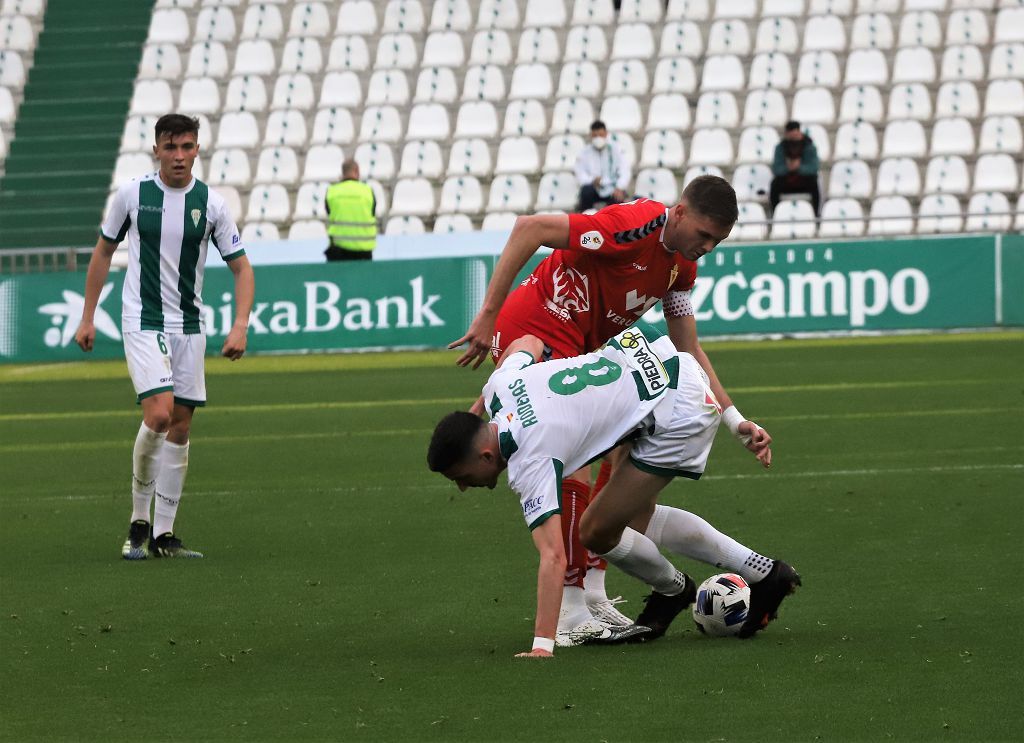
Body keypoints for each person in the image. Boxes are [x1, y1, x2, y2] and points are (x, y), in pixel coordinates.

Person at [449, 176, 765, 645]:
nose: (708, 247)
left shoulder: (681, 268)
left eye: (717, 241)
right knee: (571, 465)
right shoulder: (633, 226)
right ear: (679, 212)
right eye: (703, 235)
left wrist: (735, 419)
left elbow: (688, 350)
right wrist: (488, 314)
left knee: (620, 451)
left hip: (585, 347)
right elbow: (529, 228)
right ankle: (570, 609)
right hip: (539, 326)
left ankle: (592, 594)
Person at [428, 325, 801, 658]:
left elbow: (554, 557)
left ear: (486, 454)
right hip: (650, 354)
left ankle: (673, 590)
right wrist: (486, 395)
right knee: (635, 517)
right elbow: (529, 341)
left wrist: (542, 644)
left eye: (460, 476)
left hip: (676, 410)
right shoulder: (501, 386)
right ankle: (766, 573)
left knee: (594, 530)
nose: (462, 487)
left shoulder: (529, 458)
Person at [74, 113, 255, 560]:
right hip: (143, 318)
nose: (179, 156)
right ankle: (138, 521)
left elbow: (242, 266)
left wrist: (239, 325)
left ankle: (164, 535)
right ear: (156, 149)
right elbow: (103, 251)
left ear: (197, 150)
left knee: (181, 425)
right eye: (170, 147)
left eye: (187, 146)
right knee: (158, 414)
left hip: (189, 326)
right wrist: (87, 316)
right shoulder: (132, 195)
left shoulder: (211, 204)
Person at [324, 159, 377, 262]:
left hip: (338, 251)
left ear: (343, 173)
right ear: (357, 171)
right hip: (363, 251)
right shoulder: (368, 191)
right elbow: (372, 212)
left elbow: (329, 212)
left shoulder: (332, 192)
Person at [573, 120, 632, 212]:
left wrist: (620, 187)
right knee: (585, 192)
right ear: (591, 136)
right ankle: (587, 221)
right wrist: (592, 180)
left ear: (606, 134)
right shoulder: (584, 153)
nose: (598, 138)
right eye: (595, 136)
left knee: (618, 201)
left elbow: (624, 170)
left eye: (600, 135)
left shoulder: (616, 150)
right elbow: (580, 174)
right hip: (594, 188)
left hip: (613, 189)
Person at [769, 120, 821, 217]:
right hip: (787, 180)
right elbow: (777, 169)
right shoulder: (780, 148)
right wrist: (788, 168)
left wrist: (799, 167)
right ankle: (775, 214)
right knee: (775, 184)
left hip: (804, 180)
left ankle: (816, 214)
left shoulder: (809, 147)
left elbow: (814, 168)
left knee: (814, 183)